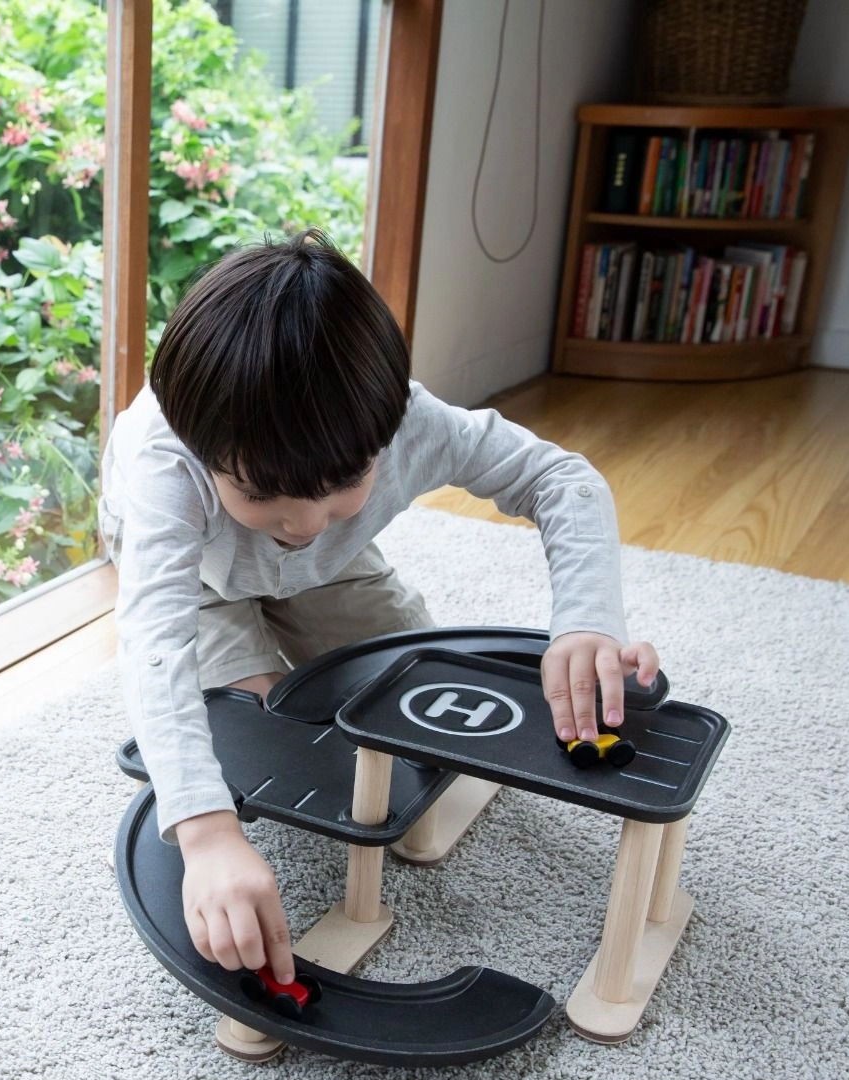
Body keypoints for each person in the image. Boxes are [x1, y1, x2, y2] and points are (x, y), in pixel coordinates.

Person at [99, 230, 659, 986]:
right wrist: (205, 836)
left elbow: (565, 480)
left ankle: (294, 542)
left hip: (334, 571)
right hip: (200, 579)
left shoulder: (409, 425)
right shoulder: (168, 467)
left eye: (338, 489)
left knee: (423, 698)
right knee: (267, 741)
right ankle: (255, 656)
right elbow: (153, 639)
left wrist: (589, 619)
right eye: (259, 493)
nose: (299, 521)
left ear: (386, 430)